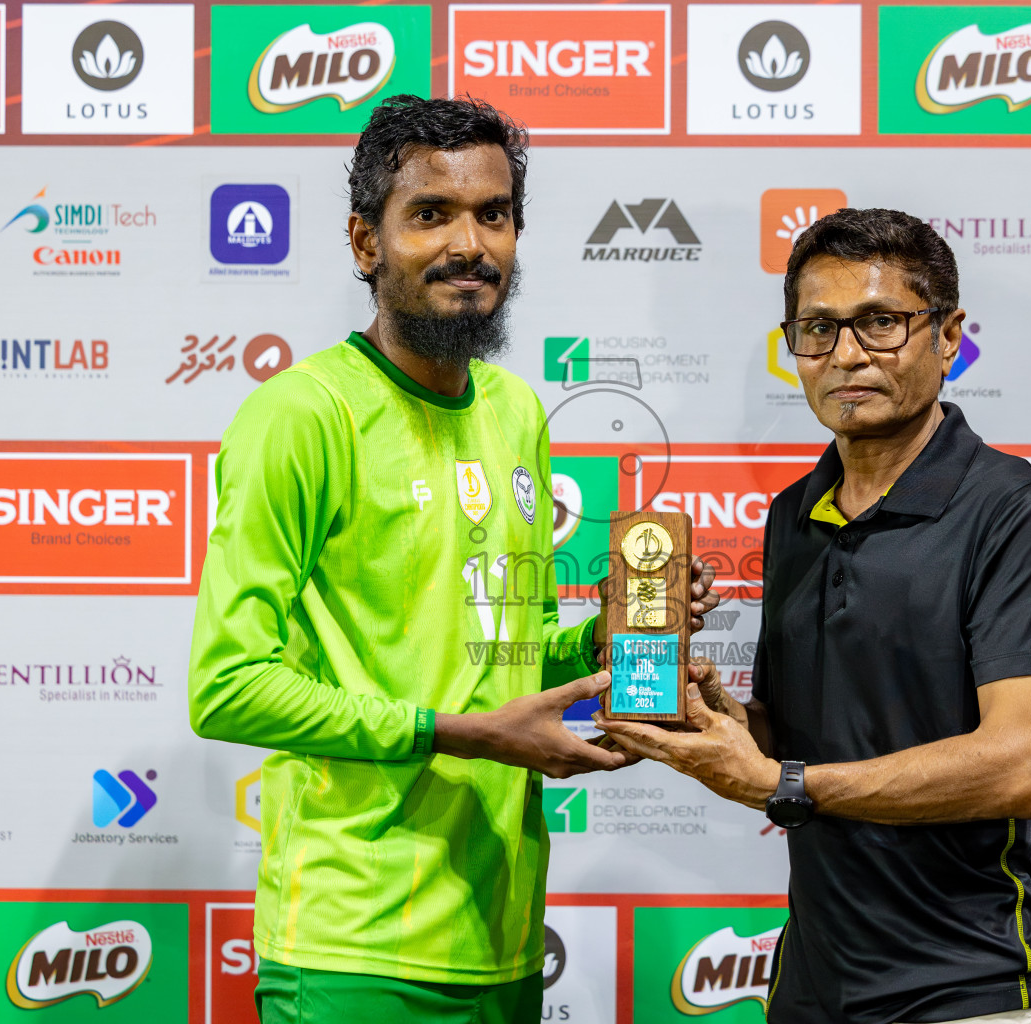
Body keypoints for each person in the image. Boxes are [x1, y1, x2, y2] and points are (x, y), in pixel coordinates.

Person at [186, 95, 717, 1024]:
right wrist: (455, 733)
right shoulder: (304, 415)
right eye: (430, 214)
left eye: (494, 214)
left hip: (502, 933)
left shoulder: (514, 411)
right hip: (355, 947)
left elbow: (499, 661)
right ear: (366, 241)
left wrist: (623, 632)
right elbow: (227, 686)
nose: (469, 245)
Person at [597, 208, 1031, 1024]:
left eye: (881, 323)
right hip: (814, 988)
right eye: (818, 329)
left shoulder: (1016, 511)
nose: (848, 354)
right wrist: (704, 715)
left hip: (976, 990)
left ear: (948, 334)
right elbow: (800, 740)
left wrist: (780, 784)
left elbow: (1016, 766)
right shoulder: (794, 513)